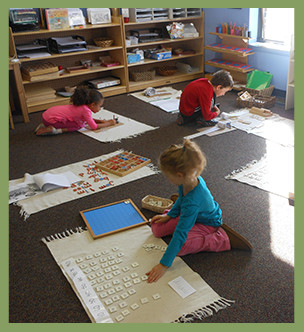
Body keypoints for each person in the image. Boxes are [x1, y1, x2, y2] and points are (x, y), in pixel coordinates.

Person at [146, 139, 251, 283]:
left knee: (181, 247)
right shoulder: (188, 180)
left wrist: (163, 264)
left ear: (179, 175)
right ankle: (184, 220)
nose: (167, 179)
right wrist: (169, 215)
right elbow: (182, 199)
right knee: (157, 228)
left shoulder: (191, 202)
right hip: (192, 213)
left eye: (168, 176)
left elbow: (180, 233)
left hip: (208, 222)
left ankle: (221, 239)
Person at [35, 86, 118, 136]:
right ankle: (55, 130)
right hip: (51, 121)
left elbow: (86, 119)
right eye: (99, 106)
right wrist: (109, 123)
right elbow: (93, 127)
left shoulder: (81, 105)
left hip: (46, 116)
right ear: (92, 105)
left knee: (81, 122)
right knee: (79, 125)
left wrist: (100, 121)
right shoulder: (86, 110)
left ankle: (45, 125)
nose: (100, 108)